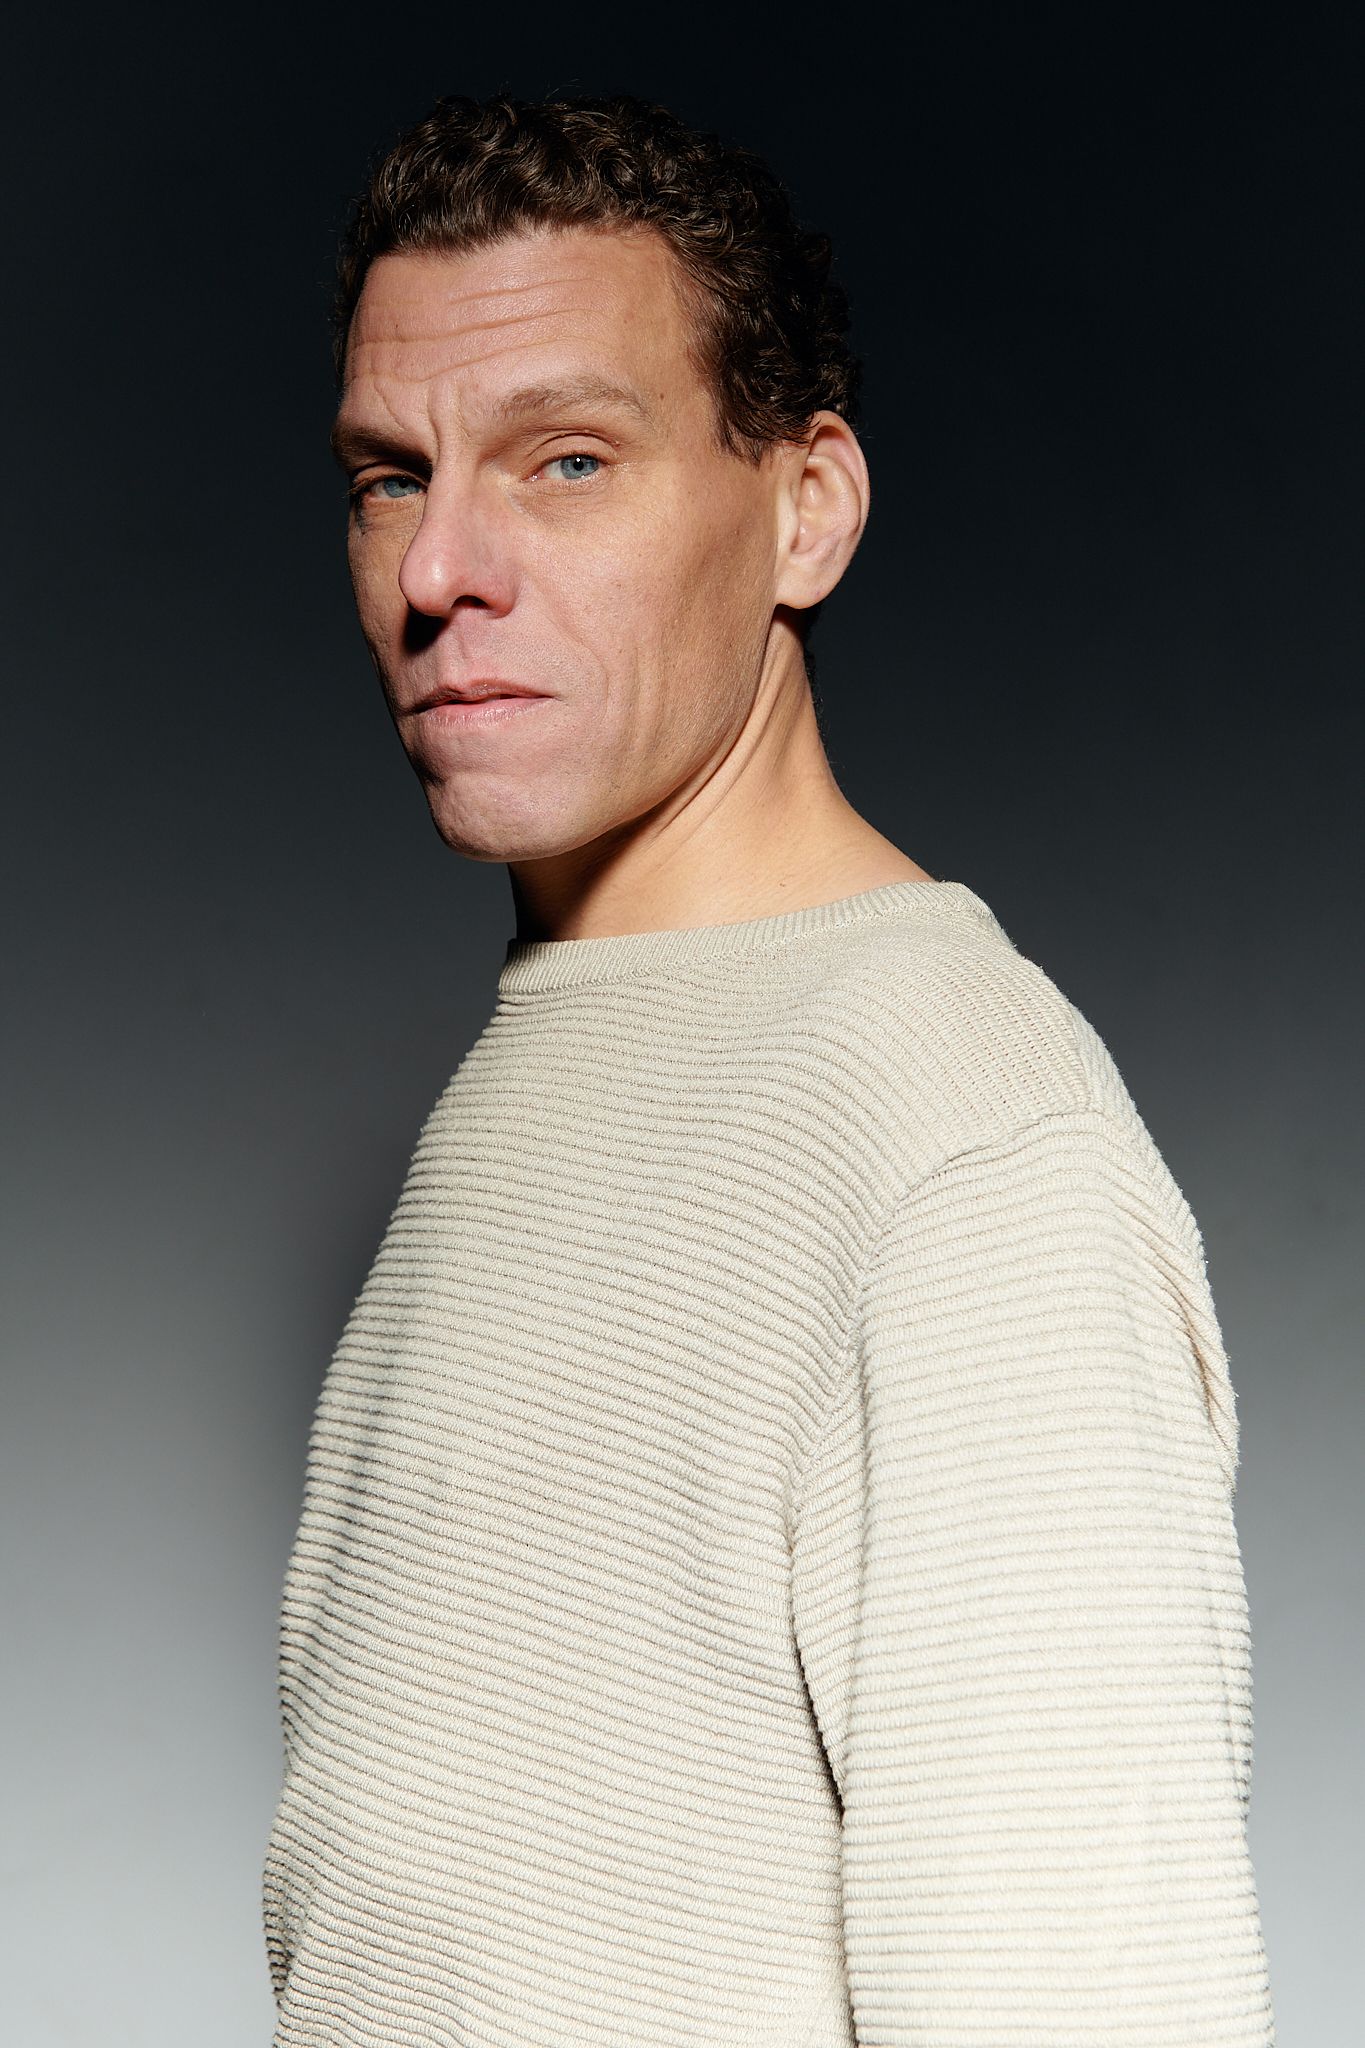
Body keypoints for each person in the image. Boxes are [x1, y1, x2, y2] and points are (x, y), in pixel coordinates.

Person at [262, 93, 1275, 2047]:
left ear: (805, 508)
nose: (437, 568)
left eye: (566, 459)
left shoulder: (964, 1154)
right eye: (390, 476)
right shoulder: (558, 1060)